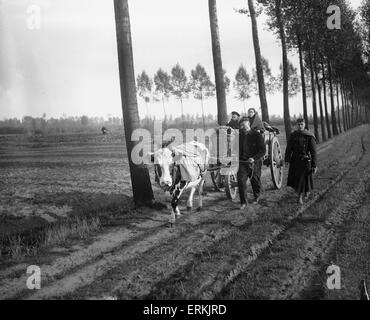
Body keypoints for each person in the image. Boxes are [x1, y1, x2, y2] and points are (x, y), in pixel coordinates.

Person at [285, 118, 318, 204]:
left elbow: (313, 152)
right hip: (295, 161)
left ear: (304, 125)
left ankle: (300, 196)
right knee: (297, 179)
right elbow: (289, 149)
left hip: (305, 161)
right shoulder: (293, 135)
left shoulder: (309, 136)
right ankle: (304, 192)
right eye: (298, 124)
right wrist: (287, 160)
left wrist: (314, 165)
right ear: (296, 125)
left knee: (303, 179)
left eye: (301, 124)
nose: (300, 126)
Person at [237, 117, 266, 210]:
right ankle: (243, 202)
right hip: (242, 162)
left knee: (255, 180)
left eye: (244, 125)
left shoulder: (257, 135)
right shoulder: (239, 136)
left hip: (254, 163)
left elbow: (263, 150)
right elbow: (235, 148)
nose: (243, 127)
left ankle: (257, 196)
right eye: (241, 125)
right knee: (241, 181)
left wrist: (254, 158)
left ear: (248, 124)